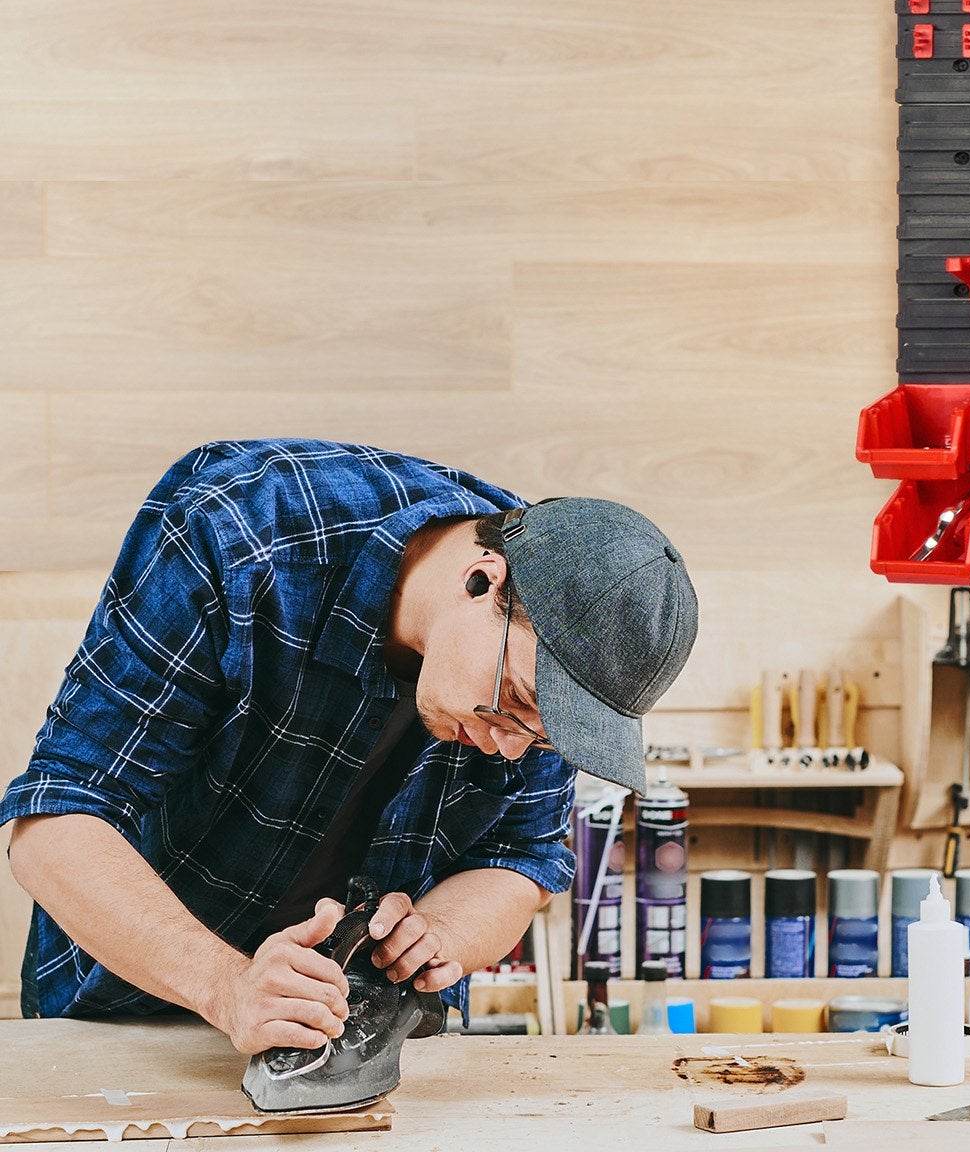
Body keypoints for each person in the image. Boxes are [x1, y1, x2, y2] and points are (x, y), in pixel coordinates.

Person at [1, 438, 696, 1054]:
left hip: (363, 1038)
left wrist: (443, 930)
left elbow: (521, 857)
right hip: (135, 1014)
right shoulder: (240, 531)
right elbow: (54, 822)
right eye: (514, 703)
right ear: (483, 579)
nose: (511, 748)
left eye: (540, 737)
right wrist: (228, 986)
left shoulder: (559, 638)